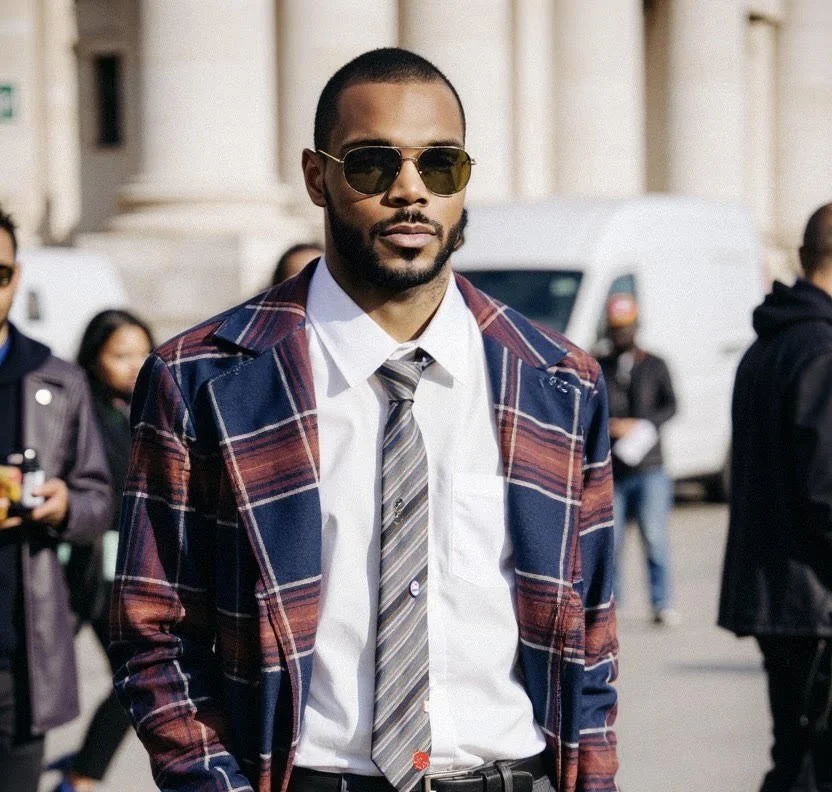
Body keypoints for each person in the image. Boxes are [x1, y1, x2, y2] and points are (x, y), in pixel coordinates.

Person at [110, 48, 619, 792]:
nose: (411, 192)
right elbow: (152, 629)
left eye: (440, 165)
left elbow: (591, 633)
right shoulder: (204, 379)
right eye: (373, 164)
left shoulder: (558, 382)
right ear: (318, 176)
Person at [719, 202, 832, 792]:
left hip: (785, 600)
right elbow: (827, 491)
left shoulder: (770, 343)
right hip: (815, 603)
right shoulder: (821, 348)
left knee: (796, 757)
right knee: (812, 767)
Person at [0, 206, 112, 791]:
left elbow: (99, 500)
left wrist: (64, 503)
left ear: (16, 278)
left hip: (17, 657)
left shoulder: (56, 379)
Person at [48, 310, 154, 792]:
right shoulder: (79, 411)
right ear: (93, 360)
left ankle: (82, 772)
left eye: (142, 353)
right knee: (136, 677)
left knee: (137, 679)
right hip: (86, 569)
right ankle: (81, 774)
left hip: (135, 567)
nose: (135, 365)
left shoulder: (152, 405)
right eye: (120, 356)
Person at [597, 293, 679, 626]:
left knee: (655, 537)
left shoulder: (655, 364)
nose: (622, 335)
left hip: (650, 468)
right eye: (617, 329)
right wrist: (609, 426)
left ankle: (662, 602)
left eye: (627, 328)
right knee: (610, 541)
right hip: (612, 469)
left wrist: (643, 425)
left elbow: (671, 405)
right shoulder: (600, 365)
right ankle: (611, 604)